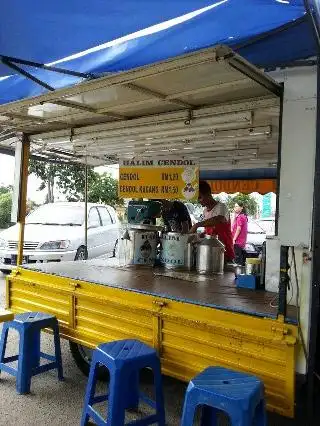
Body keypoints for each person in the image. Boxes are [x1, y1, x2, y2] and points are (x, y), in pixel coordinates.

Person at [189, 181, 235, 262]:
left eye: (200, 197)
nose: (199, 201)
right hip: (210, 252)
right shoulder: (205, 211)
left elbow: (218, 219)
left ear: (208, 194)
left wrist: (197, 225)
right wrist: (199, 236)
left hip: (224, 252)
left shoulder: (221, 207)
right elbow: (208, 231)